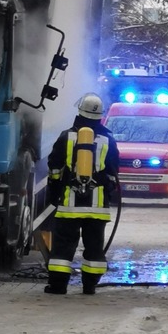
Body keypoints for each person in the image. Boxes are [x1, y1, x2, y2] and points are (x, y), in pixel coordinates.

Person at [44, 92, 121, 296]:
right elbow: (113, 174)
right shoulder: (108, 141)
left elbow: (54, 168)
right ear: (100, 116)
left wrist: (55, 192)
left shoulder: (66, 137)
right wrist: (105, 195)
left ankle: (58, 286)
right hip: (97, 208)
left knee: (63, 248)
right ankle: (89, 286)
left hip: (69, 205)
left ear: (80, 112)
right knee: (94, 248)